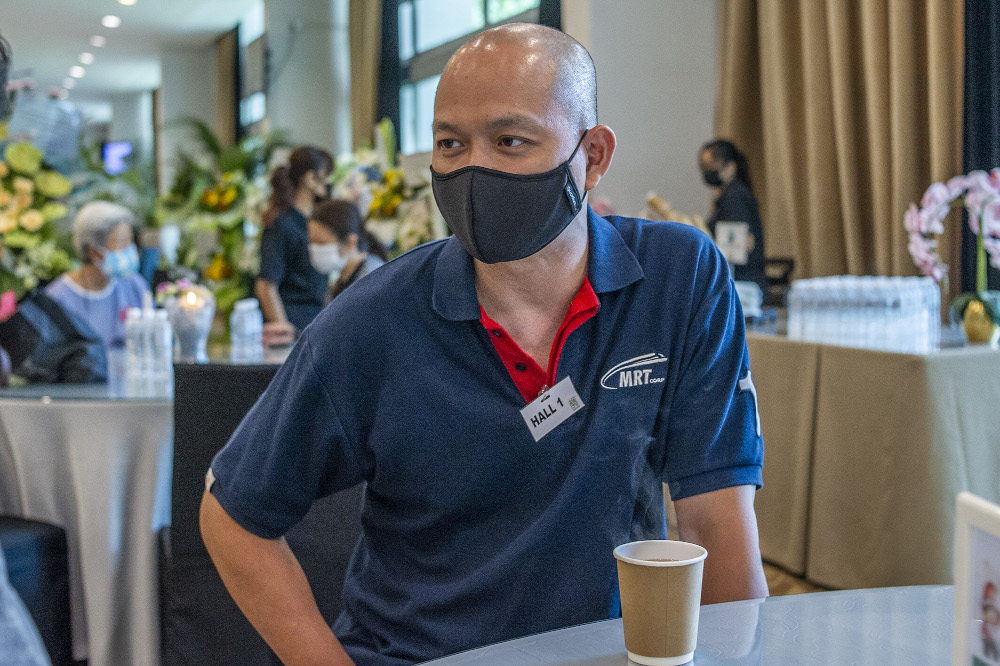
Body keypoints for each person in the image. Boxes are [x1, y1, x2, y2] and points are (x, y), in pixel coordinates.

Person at [201, 23, 767, 666]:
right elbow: (232, 514)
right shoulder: (373, 321)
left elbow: (717, 520)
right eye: (451, 144)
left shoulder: (676, 279)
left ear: (593, 155)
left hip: (609, 652)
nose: (475, 169)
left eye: (510, 141)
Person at [256, 145, 335, 344]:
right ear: (310, 178)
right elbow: (266, 285)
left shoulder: (315, 221)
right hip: (295, 326)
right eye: (325, 174)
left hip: (316, 324)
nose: (328, 181)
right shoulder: (282, 224)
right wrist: (285, 335)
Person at [45, 201, 149, 349]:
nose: (129, 250)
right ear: (93, 251)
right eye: (122, 243)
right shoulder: (58, 299)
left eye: (130, 241)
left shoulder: (134, 285)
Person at [700, 139, 768, 293]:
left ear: (730, 167)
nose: (707, 171)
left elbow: (741, 242)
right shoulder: (729, 194)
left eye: (711, 166)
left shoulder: (734, 196)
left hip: (742, 282)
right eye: (704, 167)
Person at [307, 200, 387, 303]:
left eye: (321, 243)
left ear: (350, 242)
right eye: (311, 241)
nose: (314, 248)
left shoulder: (372, 280)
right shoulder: (342, 278)